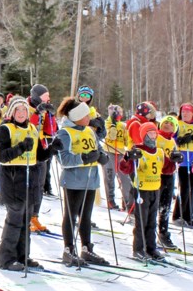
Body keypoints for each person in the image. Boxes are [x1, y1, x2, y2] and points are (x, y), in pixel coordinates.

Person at [0, 96, 54, 271]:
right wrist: (21, 147)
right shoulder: (5, 129)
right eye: (17, 110)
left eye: (24, 110)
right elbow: (2, 156)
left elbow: (38, 156)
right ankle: (7, 259)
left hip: (30, 179)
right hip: (12, 179)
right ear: (12, 112)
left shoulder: (32, 128)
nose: (21, 113)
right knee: (14, 220)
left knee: (25, 220)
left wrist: (52, 149)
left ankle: (23, 256)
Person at [54, 96, 110, 266]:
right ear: (77, 117)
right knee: (71, 215)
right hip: (73, 181)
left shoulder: (89, 131)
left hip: (90, 180)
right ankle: (68, 249)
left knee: (86, 216)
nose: (89, 118)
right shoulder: (65, 133)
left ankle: (86, 248)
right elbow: (63, 159)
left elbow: (99, 149)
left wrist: (102, 157)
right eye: (86, 116)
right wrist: (84, 158)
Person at [126, 121, 165, 261]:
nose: (153, 136)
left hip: (155, 188)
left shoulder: (159, 151)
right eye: (150, 133)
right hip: (142, 189)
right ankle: (138, 248)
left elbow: (165, 168)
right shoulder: (139, 150)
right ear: (144, 135)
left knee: (152, 221)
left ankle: (151, 247)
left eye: (155, 133)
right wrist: (129, 158)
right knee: (141, 220)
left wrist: (174, 160)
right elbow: (126, 168)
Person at [171, 103, 193, 227]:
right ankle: (177, 215)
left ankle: (188, 215)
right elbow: (170, 137)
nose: (185, 114)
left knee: (192, 188)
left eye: (187, 112)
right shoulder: (177, 124)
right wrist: (179, 140)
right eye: (183, 112)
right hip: (183, 160)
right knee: (184, 188)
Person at [27, 84, 56, 230]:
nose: (47, 99)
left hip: (41, 150)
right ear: (37, 96)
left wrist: (51, 115)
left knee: (39, 185)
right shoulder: (25, 107)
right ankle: (25, 216)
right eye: (45, 96)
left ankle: (35, 216)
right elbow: (26, 125)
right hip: (27, 151)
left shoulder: (45, 109)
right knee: (29, 185)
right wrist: (37, 114)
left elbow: (50, 130)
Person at [155, 115, 184, 248]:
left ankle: (163, 233)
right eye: (165, 122)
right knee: (154, 205)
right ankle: (149, 233)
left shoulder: (172, 141)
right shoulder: (156, 136)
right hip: (156, 175)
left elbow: (175, 155)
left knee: (165, 207)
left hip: (169, 175)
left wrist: (178, 158)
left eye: (171, 124)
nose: (167, 125)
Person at [103, 103, 130, 211]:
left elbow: (127, 141)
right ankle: (110, 200)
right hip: (109, 152)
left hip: (120, 153)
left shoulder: (123, 126)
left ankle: (127, 201)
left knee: (125, 178)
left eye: (120, 112)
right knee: (109, 177)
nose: (119, 114)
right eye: (116, 112)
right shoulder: (107, 124)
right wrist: (113, 124)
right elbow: (111, 136)